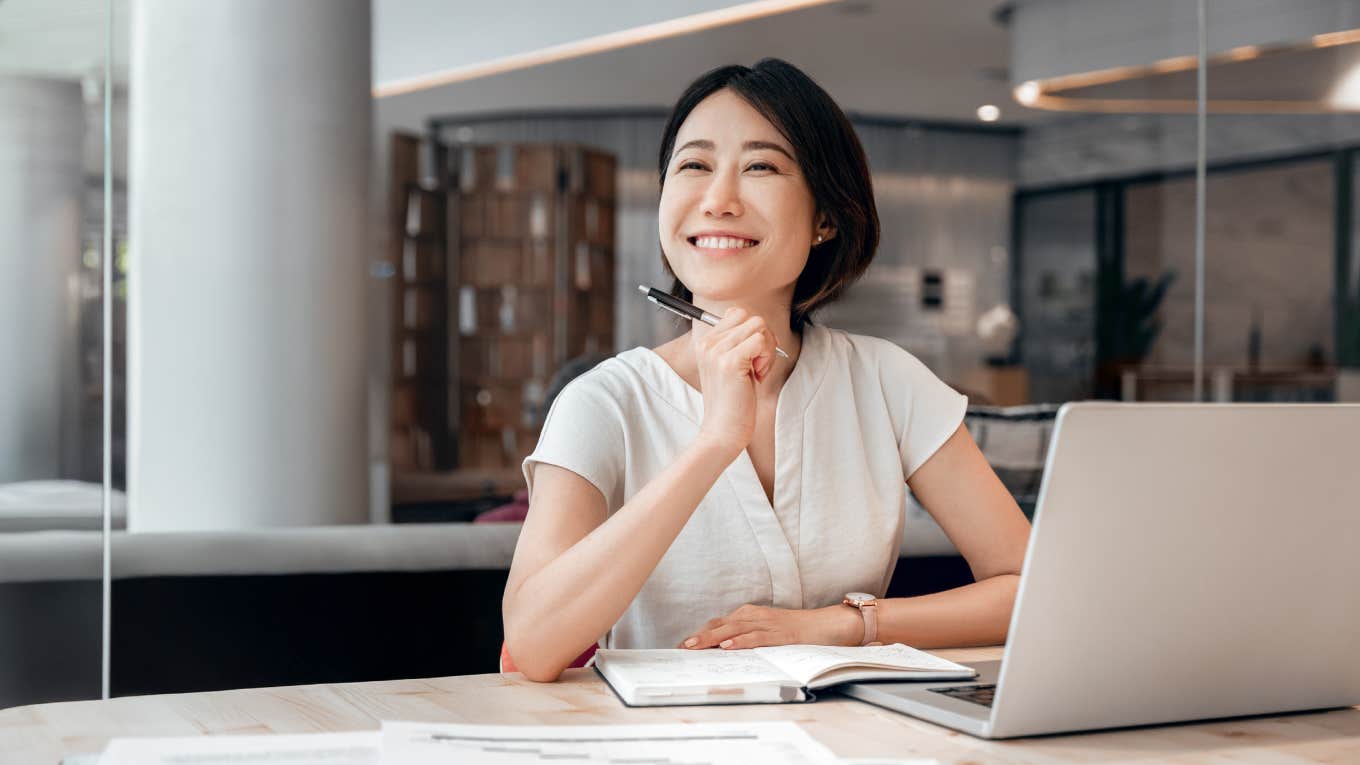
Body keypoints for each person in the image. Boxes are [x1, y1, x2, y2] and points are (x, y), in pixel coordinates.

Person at [502, 58, 1031, 682]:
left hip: (854, 737)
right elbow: (531, 646)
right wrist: (715, 441)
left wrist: (843, 624)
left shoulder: (888, 381)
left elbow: (1029, 585)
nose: (718, 200)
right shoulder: (604, 402)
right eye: (693, 166)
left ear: (825, 219)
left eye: (760, 167)